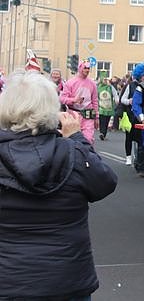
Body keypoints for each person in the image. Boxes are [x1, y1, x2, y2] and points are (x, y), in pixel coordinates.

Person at [0, 71, 117, 300]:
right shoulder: (73, 153)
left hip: (9, 282)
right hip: (66, 282)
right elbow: (104, 183)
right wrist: (77, 138)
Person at [60, 60, 99, 144]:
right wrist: (73, 100)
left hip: (88, 114)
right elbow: (62, 98)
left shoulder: (92, 84)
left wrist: (96, 117)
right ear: (80, 68)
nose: (87, 70)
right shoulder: (70, 83)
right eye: (85, 68)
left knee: (88, 139)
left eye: (88, 68)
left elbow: (95, 101)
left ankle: (87, 155)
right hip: (74, 114)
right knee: (72, 139)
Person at [97, 76, 118, 140]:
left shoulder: (110, 87)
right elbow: (95, 96)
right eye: (104, 79)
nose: (105, 81)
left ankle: (104, 134)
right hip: (101, 107)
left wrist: (117, 100)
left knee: (106, 121)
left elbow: (115, 94)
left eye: (106, 79)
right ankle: (102, 133)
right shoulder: (98, 87)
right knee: (102, 120)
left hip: (109, 107)